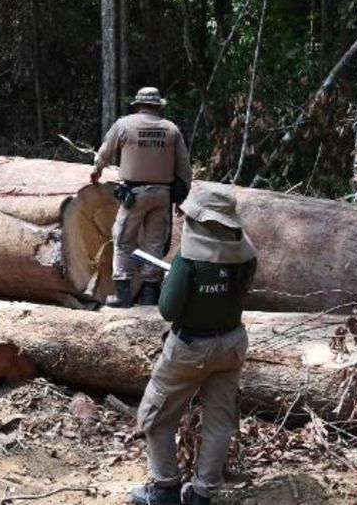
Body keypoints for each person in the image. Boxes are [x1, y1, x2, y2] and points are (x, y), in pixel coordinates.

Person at [130, 183, 257, 505]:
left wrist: (175, 280)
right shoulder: (246, 256)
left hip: (189, 349)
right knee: (219, 422)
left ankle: (165, 489)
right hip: (232, 344)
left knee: (155, 415)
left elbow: (168, 310)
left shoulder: (188, 262)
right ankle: (202, 494)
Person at [90, 87, 193, 308]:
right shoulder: (171, 129)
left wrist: (97, 170)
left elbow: (105, 151)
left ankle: (123, 294)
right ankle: (149, 295)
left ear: (137, 105)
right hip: (163, 195)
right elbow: (185, 169)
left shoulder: (124, 124)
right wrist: (181, 197)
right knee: (155, 243)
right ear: (158, 107)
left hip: (134, 195)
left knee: (123, 239)